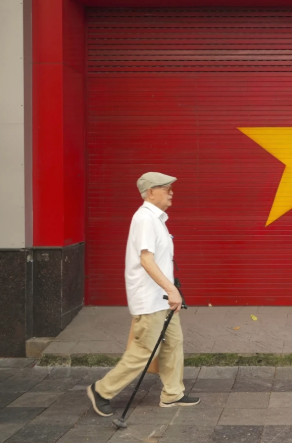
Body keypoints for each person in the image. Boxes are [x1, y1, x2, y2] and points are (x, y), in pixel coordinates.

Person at [87, 172, 200, 417]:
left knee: (173, 344)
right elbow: (146, 260)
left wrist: (170, 290)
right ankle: (102, 391)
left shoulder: (157, 219)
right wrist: (172, 290)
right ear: (150, 192)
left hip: (162, 298)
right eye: (166, 189)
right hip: (150, 299)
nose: (171, 193)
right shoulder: (145, 219)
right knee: (144, 351)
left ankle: (173, 394)